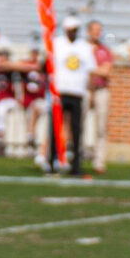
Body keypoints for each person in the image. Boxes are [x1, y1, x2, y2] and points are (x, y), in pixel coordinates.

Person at [50, 16, 97, 175]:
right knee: (55, 129)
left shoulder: (84, 46)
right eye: (71, 29)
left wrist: (90, 92)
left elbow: (90, 70)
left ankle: (76, 165)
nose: (73, 32)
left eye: (75, 29)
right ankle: (53, 160)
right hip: (60, 90)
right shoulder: (56, 43)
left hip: (78, 91)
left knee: (77, 130)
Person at [86, 20, 114, 174]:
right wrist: (97, 70)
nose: (97, 32)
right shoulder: (81, 48)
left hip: (101, 89)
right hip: (84, 89)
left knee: (101, 128)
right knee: (78, 125)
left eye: (99, 30)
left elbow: (106, 72)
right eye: (94, 29)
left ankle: (99, 161)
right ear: (88, 31)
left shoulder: (105, 50)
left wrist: (90, 69)